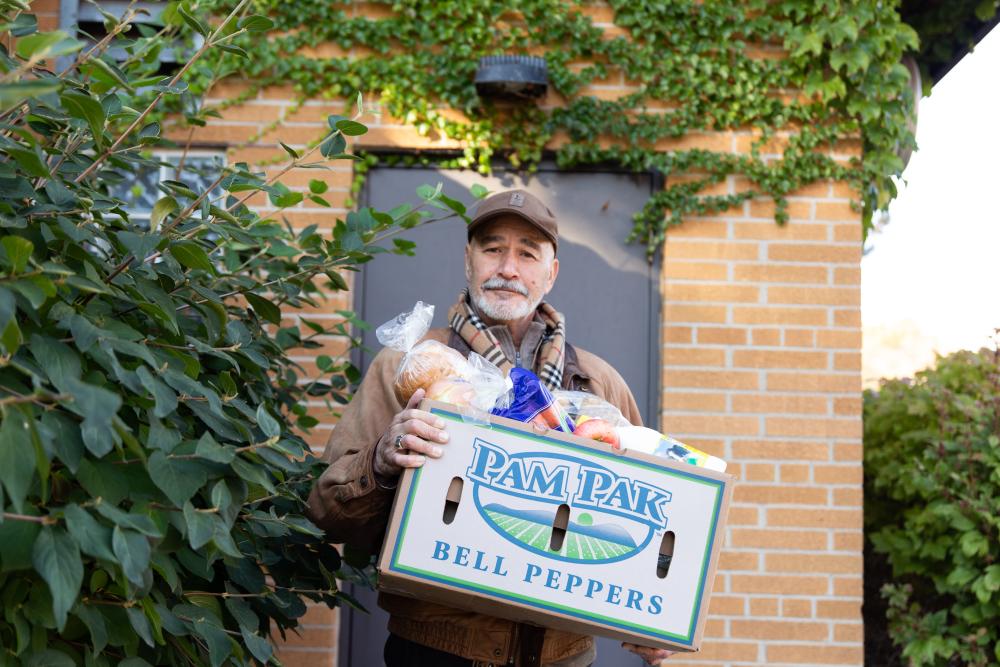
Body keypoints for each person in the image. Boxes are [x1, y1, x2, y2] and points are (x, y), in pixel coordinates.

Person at [307, 190, 674, 667]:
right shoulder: (410, 366)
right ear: (468, 259)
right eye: (493, 248)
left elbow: (645, 514)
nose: (508, 268)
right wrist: (381, 460)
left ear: (551, 272)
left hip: (563, 657)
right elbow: (325, 510)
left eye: (527, 253)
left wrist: (654, 617)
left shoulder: (597, 383)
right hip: (435, 651)